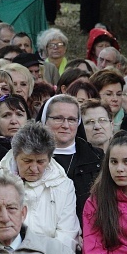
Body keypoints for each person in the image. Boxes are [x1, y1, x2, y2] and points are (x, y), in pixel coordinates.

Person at [0, 121, 80, 251]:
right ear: (15, 155)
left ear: (50, 158)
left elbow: (67, 234)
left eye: (41, 161)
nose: (34, 168)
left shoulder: (64, 185)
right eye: (27, 161)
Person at [40, 94, 104, 224]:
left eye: (72, 119)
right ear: (44, 120)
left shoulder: (97, 158)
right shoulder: (29, 157)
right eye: (58, 118)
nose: (65, 125)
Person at [91, 68, 127, 134]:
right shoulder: (85, 120)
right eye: (109, 94)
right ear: (95, 94)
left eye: (119, 94)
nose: (115, 99)